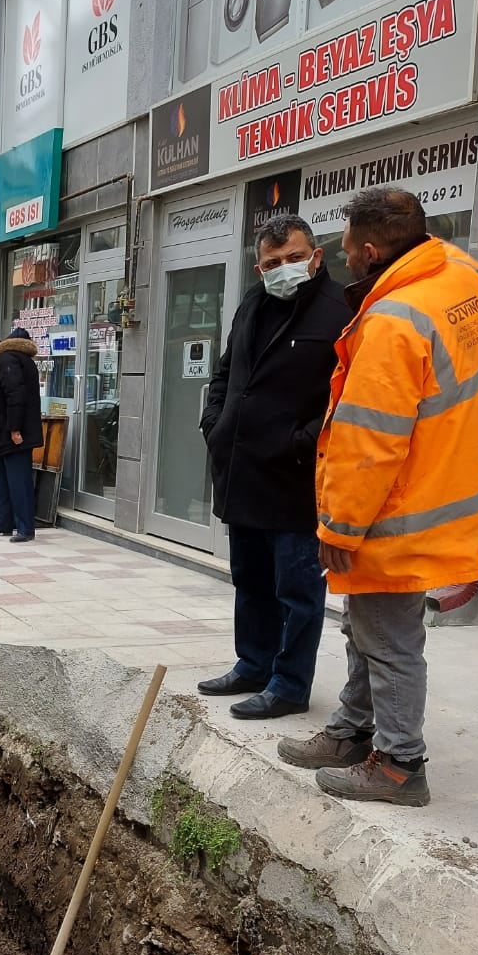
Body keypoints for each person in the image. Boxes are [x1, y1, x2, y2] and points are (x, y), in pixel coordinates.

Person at [278, 188, 478, 807]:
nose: (343, 258)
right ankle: (354, 731)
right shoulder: (464, 278)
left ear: (372, 250)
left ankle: (400, 764)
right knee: (368, 627)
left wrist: (338, 528)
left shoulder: (394, 322)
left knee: (390, 641)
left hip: (397, 507)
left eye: (347, 248)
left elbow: (369, 439)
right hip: (446, 487)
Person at [197, 215, 351, 721]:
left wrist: (298, 442)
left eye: (292, 259)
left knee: (298, 590)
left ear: (316, 257)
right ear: (258, 266)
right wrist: (214, 422)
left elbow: (345, 397)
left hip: (294, 479)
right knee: (251, 578)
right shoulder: (252, 303)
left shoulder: (341, 312)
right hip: (242, 472)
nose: (283, 269)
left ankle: (289, 683)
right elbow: (227, 370)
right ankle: (254, 663)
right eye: (271, 263)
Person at [0, 332, 43, 543]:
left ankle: (25, 528)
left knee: (19, 481)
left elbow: (15, 395)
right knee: (5, 480)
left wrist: (14, 430)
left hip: (15, 435)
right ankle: (3, 523)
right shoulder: (18, 359)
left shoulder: (7, 360)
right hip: (9, 434)